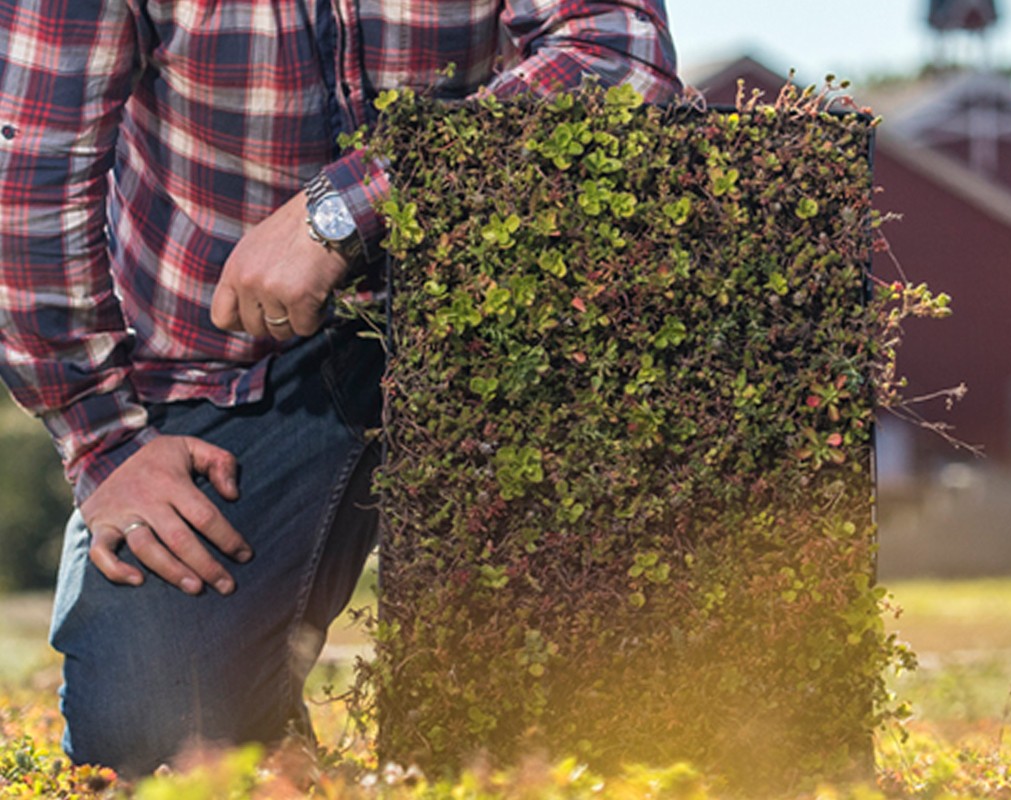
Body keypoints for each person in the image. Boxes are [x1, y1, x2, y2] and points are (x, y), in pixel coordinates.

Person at [0, 0, 680, 774]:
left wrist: (349, 204)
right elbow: (28, 181)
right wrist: (107, 443)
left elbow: (618, 51)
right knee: (153, 743)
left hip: (485, 336)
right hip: (225, 368)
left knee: (588, 737)